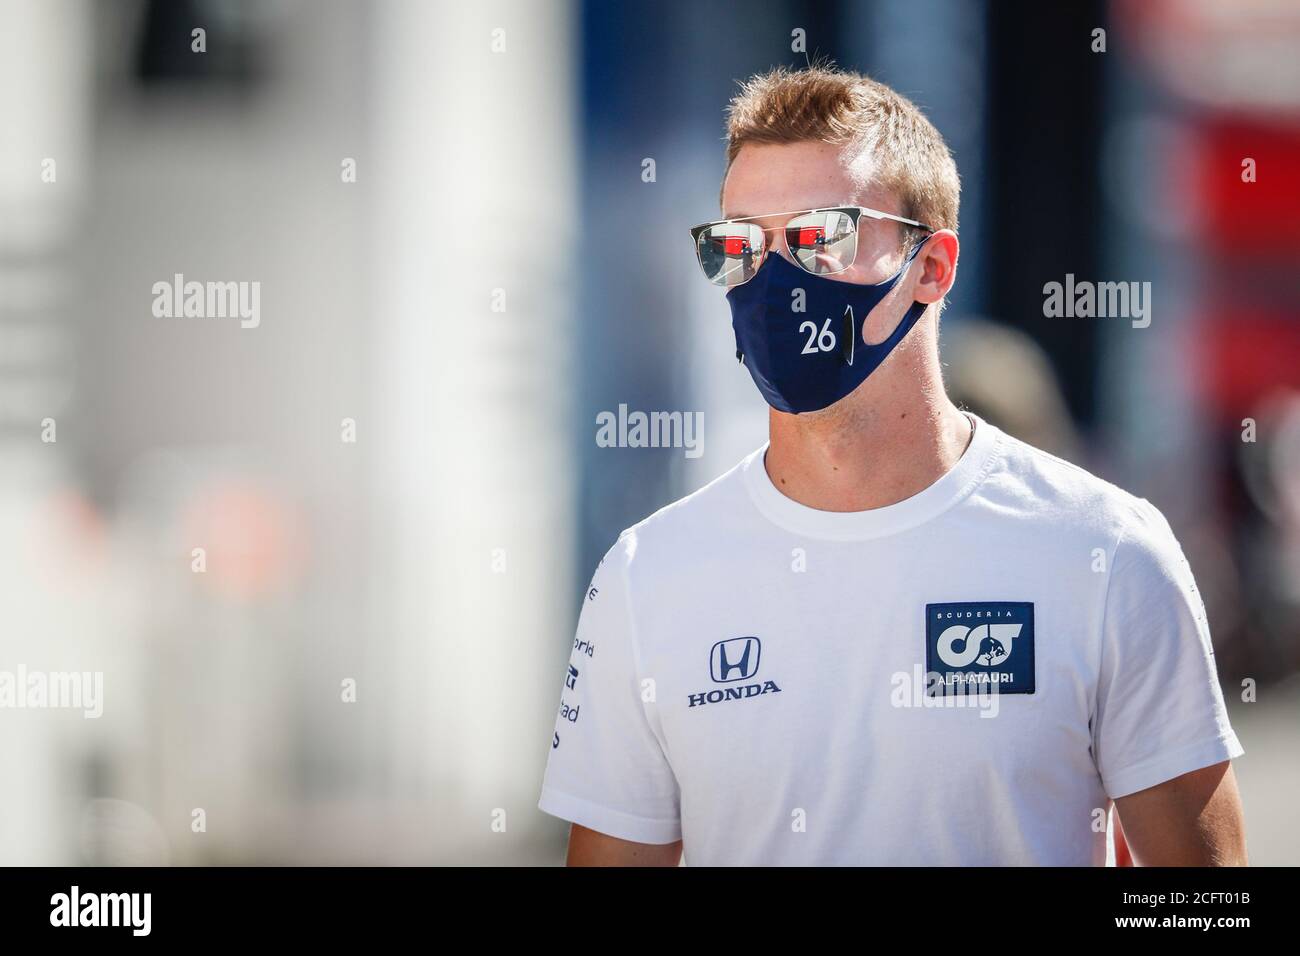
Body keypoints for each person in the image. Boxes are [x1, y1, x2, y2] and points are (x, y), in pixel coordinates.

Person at [539, 64, 1247, 866]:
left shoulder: (1107, 552)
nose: (774, 281)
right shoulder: (647, 576)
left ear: (933, 267)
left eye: (818, 235)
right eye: (739, 245)